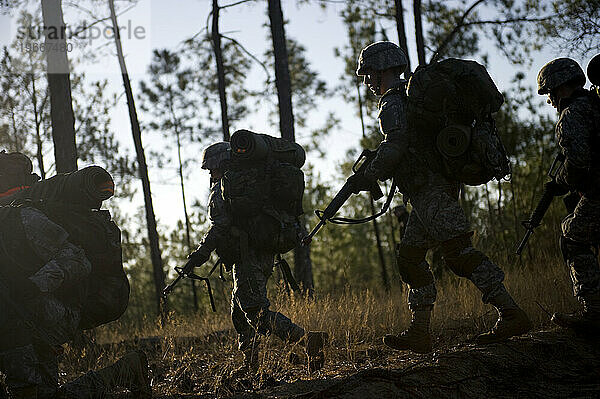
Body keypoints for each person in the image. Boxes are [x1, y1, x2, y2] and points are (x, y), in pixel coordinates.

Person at [352, 41, 531, 353]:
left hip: (431, 191)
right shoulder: (411, 98)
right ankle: (419, 332)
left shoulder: (393, 104)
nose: (367, 81)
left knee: (459, 254)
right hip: (423, 194)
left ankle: (511, 312)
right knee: (409, 259)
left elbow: (394, 147)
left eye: (368, 73)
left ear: (381, 69)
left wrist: (369, 173)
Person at [0, 151, 150, 398]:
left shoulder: (22, 218)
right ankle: (125, 371)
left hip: (40, 320)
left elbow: (76, 260)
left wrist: (34, 286)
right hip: (21, 324)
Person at [185, 141, 327, 371]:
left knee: (255, 311)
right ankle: (250, 366)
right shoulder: (247, 183)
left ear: (221, 162)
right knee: (239, 313)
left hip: (247, 256)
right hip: (260, 252)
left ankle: (308, 341)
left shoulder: (226, 187)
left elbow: (219, 226)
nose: (210, 172)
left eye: (211, 167)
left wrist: (199, 255)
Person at [537, 58, 600, 332]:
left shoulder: (572, 114)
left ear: (559, 88)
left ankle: (594, 312)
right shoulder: (596, 104)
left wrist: (560, 182)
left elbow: (578, 162)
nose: (550, 101)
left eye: (549, 93)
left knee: (572, 236)